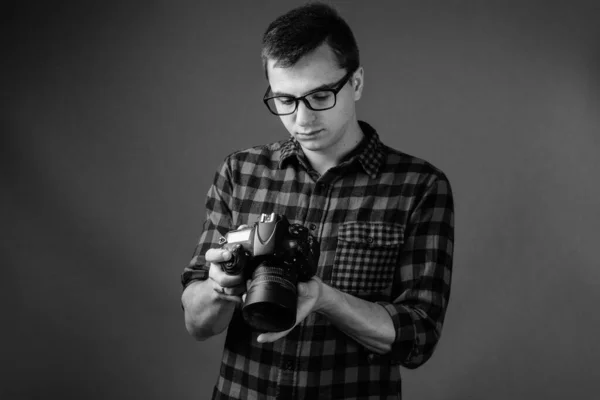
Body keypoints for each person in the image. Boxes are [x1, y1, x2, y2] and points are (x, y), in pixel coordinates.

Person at [181, 3, 454, 399]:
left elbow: (419, 337)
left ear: (356, 82)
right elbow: (197, 323)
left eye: (320, 95)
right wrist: (220, 287)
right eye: (284, 100)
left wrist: (326, 300)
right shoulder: (240, 172)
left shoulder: (420, 187)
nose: (301, 119)